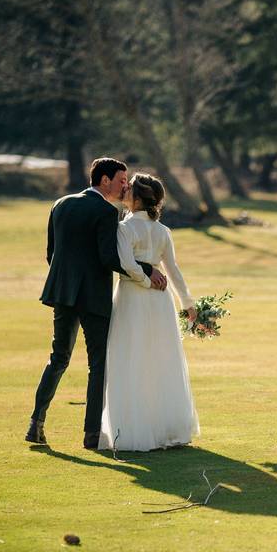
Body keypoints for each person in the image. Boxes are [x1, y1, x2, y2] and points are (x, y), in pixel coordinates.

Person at [26, 158, 168, 449]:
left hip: (62, 293)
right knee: (98, 365)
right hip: (93, 298)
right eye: (120, 180)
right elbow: (110, 258)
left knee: (58, 358)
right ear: (104, 181)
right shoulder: (106, 211)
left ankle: (36, 423)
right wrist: (147, 269)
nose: (125, 185)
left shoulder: (60, 204)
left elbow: (51, 254)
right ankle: (91, 435)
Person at [99, 173, 200, 451]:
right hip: (160, 300)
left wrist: (145, 280)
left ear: (139, 198)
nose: (125, 189)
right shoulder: (162, 230)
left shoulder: (125, 228)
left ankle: (135, 430)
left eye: (129, 187)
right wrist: (187, 303)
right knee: (158, 359)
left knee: (131, 358)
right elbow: (173, 271)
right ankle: (161, 427)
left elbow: (127, 264)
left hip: (134, 295)